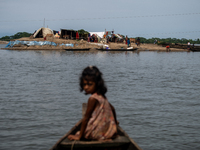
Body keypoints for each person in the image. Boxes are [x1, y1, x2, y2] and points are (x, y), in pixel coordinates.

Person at [68, 66, 118, 141]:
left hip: (97, 133)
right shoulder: (102, 96)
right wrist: (115, 123)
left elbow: (86, 118)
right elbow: (113, 109)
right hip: (109, 132)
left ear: (97, 84)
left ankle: (85, 136)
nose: (86, 87)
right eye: (84, 84)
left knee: (77, 133)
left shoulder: (92, 99)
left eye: (90, 84)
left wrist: (80, 137)